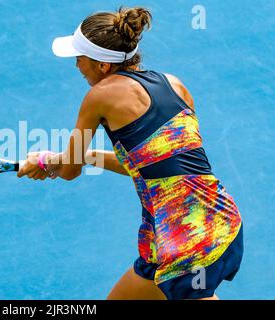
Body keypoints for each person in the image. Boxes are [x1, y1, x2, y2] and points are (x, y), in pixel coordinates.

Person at [17, 6, 243, 300]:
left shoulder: (99, 96)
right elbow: (152, 166)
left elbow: (69, 171)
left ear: (103, 66)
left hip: (186, 238)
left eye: (80, 58)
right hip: (211, 221)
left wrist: (46, 161)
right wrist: (84, 156)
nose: (76, 66)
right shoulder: (175, 84)